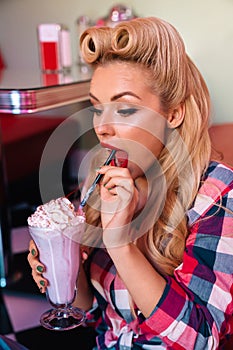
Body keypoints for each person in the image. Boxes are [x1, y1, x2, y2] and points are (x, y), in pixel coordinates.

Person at [27, 17, 233, 349]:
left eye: (124, 110)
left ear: (173, 114)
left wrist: (121, 244)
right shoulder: (100, 178)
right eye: (97, 108)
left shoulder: (218, 196)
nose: (103, 128)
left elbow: (201, 338)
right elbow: (90, 311)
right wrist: (64, 270)